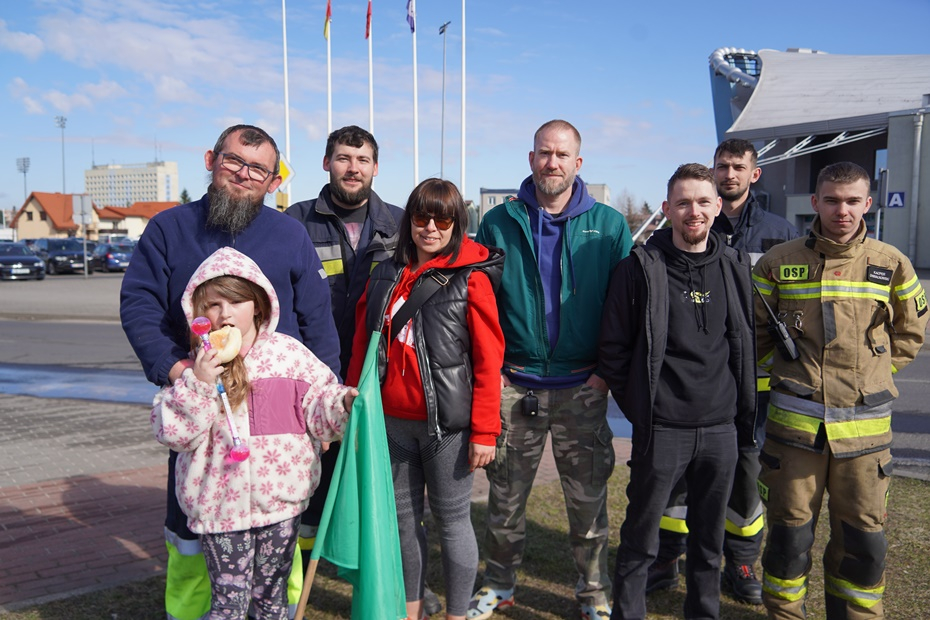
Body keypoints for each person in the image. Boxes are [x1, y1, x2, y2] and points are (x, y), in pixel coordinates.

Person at [121, 124, 340, 620]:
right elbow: (139, 305)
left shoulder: (289, 234)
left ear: (274, 181)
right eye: (234, 161)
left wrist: (323, 409)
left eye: (258, 169)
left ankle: (276, 611)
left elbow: (318, 321)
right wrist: (179, 371)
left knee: (279, 522)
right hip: (204, 411)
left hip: (280, 414)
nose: (244, 174)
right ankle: (190, 612)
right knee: (190, 527)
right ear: (211, 159)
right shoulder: (169, 229)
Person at [468, 119, 633, 620]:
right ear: (531, 158)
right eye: (544, 152)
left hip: (583, 388)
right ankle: (499, 584)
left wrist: (604, 375)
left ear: (577, 163)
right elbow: (480, 304)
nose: (552, 162)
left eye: (562, 154)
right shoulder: (499, 223)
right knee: (505, 500)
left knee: (588, 505)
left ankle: (593, 593)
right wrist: (495, 372)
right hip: (515, 388)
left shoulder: (609, 225)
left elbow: (625, 309)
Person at [753, 162, 928, 619]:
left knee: (864, 546)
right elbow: (754, 338)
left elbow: (910, 334)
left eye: (852, 201)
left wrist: (872, 376)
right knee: (788, 542)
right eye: (831, 200)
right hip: (793, 438)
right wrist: (790, 377)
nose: (842, 211)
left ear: (868, 203)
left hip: (866, 442)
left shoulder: (892, 263)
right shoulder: (778, 262)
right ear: (815, 202)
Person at [151, 247, 356, 619]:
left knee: (272, 600)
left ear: (258, 306)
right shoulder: (196, 365)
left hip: (281, 503)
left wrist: (342, 403)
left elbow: (318, 405)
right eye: (213, 304)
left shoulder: (289, 356)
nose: (225, 314)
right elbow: (173, 432)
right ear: (198, 313)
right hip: (220, 508)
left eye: (236, 301)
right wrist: (199, 383)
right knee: (228, 604)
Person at [599, 163, 757, 620]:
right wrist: (645, 411)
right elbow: (612, 350)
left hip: (721, 431)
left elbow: (743, 344)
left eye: (704, 201)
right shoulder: (639, 269)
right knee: (640, 542)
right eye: (684, 203)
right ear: (667, 209)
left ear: (718, 206)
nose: (695, 211)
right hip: (663, 430)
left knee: (709, 544)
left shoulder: (734, 266)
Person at [345, 178, 505, 620]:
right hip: (390, 424)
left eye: (443, 219)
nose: (430, 228)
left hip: (447, 429)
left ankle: (456, 614)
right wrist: (355, 406)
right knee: (402, 525)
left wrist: (485, 431)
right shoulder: (384, 273)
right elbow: (362, 346)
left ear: (457, 224)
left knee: (452, 524)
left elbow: (489, 360)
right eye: (421, 217)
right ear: (409, 220)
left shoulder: (472, 278)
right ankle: (408, 611)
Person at [649, 139, 800, 604]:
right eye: (721, 166)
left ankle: (741, 560)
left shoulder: (779, 233)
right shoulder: (692, 222)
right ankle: (667, 557)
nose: (729, 173)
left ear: (755, 174)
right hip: (694, 385)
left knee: (745, 475)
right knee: (677, 477)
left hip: (754, 383)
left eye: (738, 166)